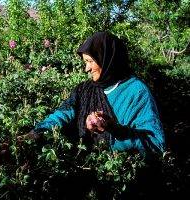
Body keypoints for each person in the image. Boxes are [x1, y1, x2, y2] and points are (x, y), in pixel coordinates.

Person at [19, 31, 165, 156]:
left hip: (122, 173)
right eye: (85, 62)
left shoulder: (136, 91)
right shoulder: (85, 90)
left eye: (90, 61)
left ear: (107, 59)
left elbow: (156, 143)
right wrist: (36, 133)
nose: (86, 69)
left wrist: (115, 130)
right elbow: (62, 114)